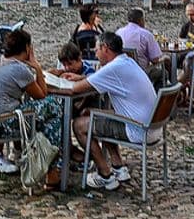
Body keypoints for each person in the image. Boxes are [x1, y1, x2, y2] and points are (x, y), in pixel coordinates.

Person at [64, 32, 157, 191]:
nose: (95, 53)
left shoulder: (113, 68)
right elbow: (96, 79)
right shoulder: (127, 62)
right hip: (154, 126)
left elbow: (75, 90)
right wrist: (79, 78)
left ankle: (105, 174)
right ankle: (118, 166)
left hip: (138, 130)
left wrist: (52, 83)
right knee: (98, 115)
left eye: (96, 49)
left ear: (105, 48)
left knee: (79, 125)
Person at [0, 29, 62, 176]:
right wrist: (36, 67)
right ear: (27, 48)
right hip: (1, 125)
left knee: (41, 115)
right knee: (53, 107)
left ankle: (25, 155)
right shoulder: (18, 69)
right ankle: (51, 165)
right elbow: (41, 95)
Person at [116, 7, 165, 85]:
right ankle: (155, 95)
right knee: (163, 73)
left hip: (122, 70)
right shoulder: (146, 34)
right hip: (141, 72)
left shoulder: (118, 32)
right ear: (141, 20)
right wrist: (164, 59)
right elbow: (155, 60)